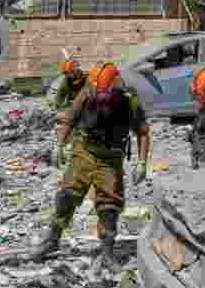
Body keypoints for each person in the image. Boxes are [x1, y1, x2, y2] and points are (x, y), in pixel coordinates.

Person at [29, 63, 152, 274]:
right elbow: (69, 119)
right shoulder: (87, 93)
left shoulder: (128, 101)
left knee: (109, 205)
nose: (102, 97)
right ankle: (52, 238)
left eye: (106, 94)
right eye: (98, 93)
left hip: (111, 157)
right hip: (85, 150)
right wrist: (59, 145)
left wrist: (142, 163)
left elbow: (142, 132)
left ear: (115, 87)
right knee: (67, 194)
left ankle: (107, 251)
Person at [45, 50, 87, 169]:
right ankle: (61, 147)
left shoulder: (87, 81)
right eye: (66, 74)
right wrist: (56, 108)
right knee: (64, 123)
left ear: (76, 71)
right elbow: (59, 98)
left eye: (70, 73)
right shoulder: (65, 81)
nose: (68, 76)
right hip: (72, 108)